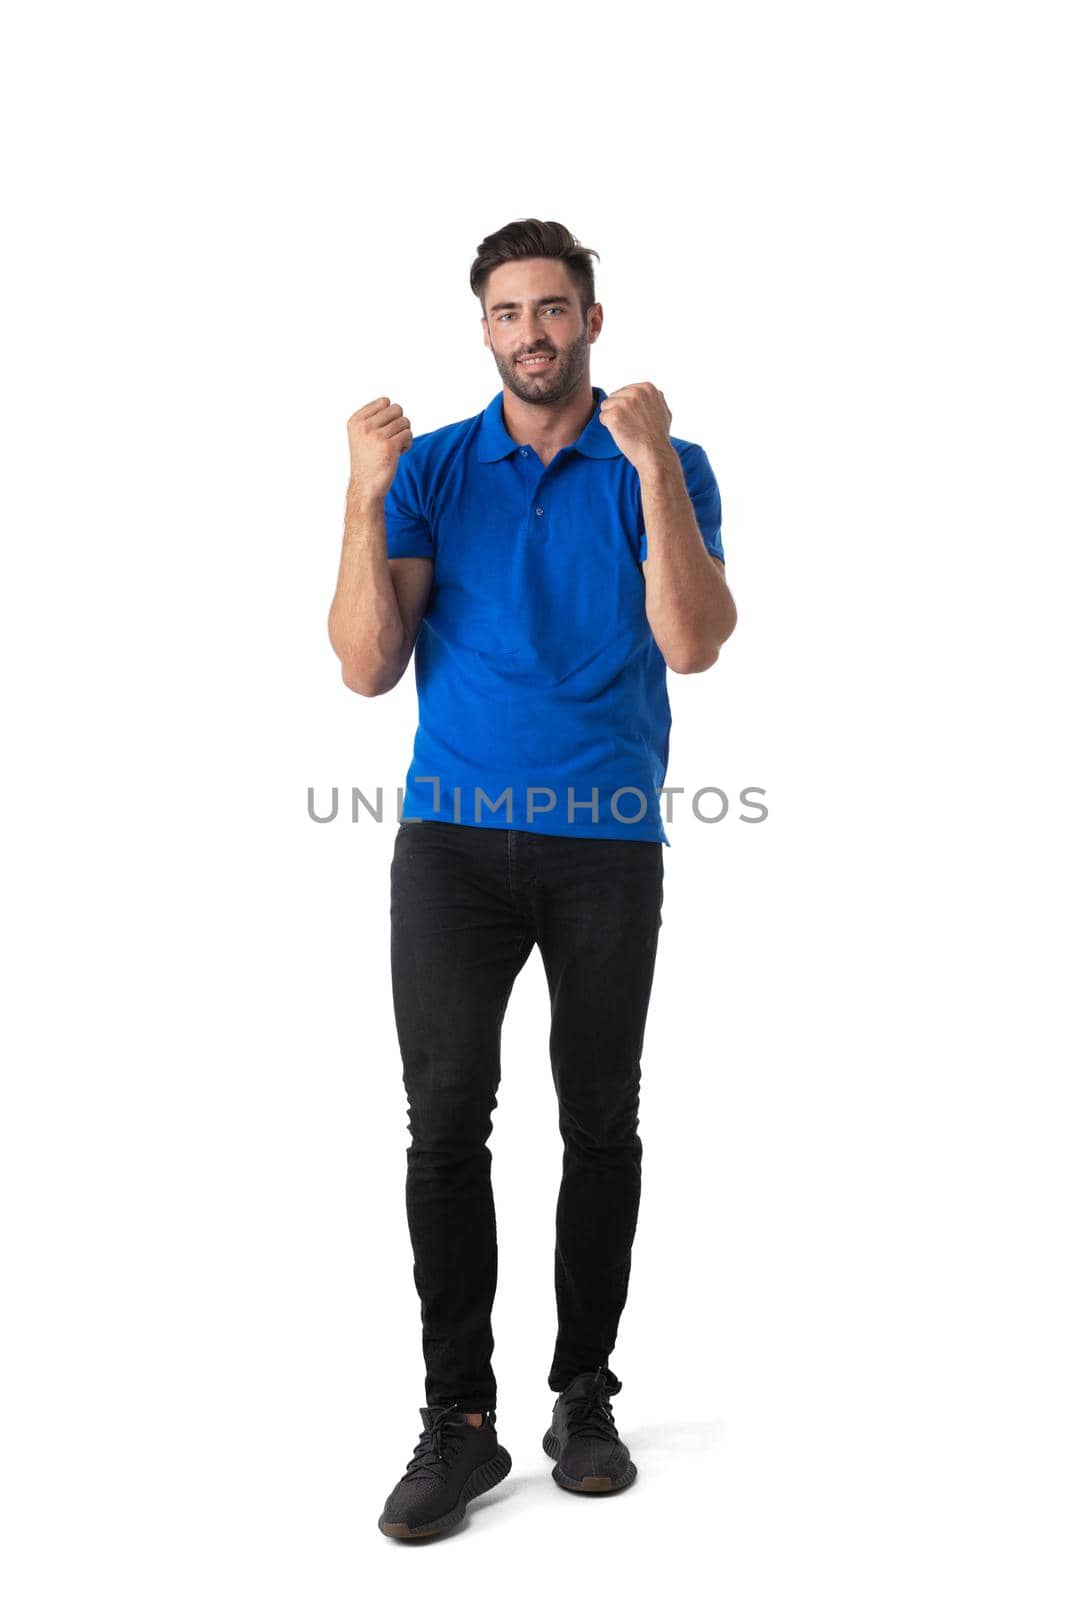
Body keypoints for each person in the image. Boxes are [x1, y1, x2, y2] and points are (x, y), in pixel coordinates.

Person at [328, 218, 737, 1539]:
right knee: (446, 1124)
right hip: (452, 844)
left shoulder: (664, 466)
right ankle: (459, 1425)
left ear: (592, 323)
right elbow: (365, 665)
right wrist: (360, 494)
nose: (533, 334)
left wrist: (655, 468)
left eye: (553, 309)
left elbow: (693, 643)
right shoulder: (437, 470)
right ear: (486, 329)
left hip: (605, 842)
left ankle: (584, 1397)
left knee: (600, 1119)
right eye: (508, 314)